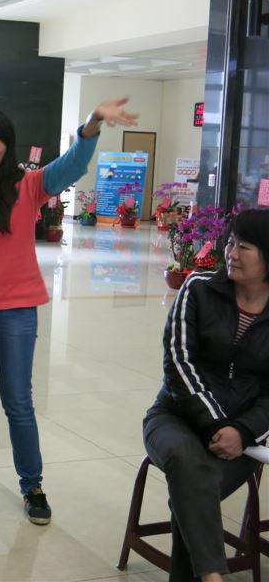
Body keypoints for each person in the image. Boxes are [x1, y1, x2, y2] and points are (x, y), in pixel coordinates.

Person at [0, 98, 139, 552]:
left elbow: (72, 165)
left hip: (18, 309)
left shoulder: (29, 185)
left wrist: (92, 123)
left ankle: (32, 485)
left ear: (7, 145)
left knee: (18, 401)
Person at [143, 209, 269, 582]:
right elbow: (178, 364)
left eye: (244, 247)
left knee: (193, 490)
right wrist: (215, 424)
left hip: (241, 439)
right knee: (189, 468)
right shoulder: (198, 287)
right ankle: (213, 577)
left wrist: (242, 432)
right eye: (230, 243)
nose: (231, 253)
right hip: (175, 417)